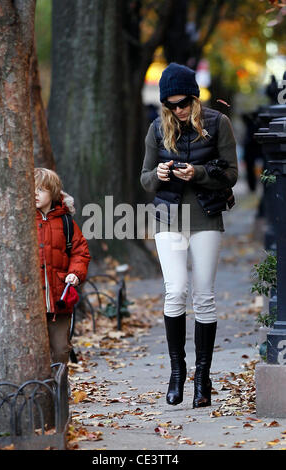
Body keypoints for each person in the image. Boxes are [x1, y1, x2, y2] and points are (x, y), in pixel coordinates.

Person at [140, 63, 238, 408]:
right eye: (172, 105)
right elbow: (145, 180)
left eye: (183, 103)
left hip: (206, 216)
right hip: (168, 217)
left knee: (204, 296)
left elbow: (231, 174)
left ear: (194, 98)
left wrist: (196, 173)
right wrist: (161, 173)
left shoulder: (217, 123)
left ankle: (204, 378)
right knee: (175, 291)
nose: (178, 110)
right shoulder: (156, 127)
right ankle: (177, 373)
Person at [35, 168, 91, 364]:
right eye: (31, 189)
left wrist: (75, 273)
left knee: (60, 350)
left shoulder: (65, 221)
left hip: (60, 298)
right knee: (34, 354)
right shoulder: (23, 221)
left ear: (53, 192)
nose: (35, 194)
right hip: (33, 301)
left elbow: (80, 252)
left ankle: (59, 391)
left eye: (41, 189)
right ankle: (39, 392)